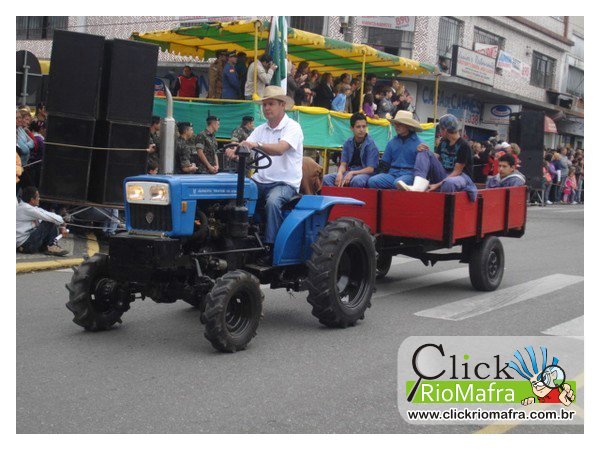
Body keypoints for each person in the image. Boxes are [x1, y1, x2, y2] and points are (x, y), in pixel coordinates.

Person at [225, 85, 303, 264]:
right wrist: (234, 151)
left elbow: (280, 149)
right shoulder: (260, 129)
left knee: (273, 202)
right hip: (260, 181)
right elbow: (246, 146)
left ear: (282, 105)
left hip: (285, 183)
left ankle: (271, 247)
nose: (266, 108)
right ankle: (238, 239)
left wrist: (256, 145)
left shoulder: (293, 127)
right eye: (264, 104)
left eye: (271, 104)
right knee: (236, 195)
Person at [398, 114, 477, 201]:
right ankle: (418, 186)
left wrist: (438, 184)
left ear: (445, 130)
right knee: (424, 152)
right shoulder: (444, 142)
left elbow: (456, 172)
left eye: (440, 129)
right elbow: (436, 157)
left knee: (448, 183)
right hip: (445, 173)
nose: (439, 132)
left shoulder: (464, 145)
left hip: (461, 176)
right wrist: (425, 151)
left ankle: (444, 206)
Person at [367, 111, 423, 189]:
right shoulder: (392, 142)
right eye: (395, 124)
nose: (396, 126)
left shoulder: (419, 144)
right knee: (372, 181)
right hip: (392, 175)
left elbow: (422, 168)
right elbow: (384, 164)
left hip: (409, 175)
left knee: (398, 183)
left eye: (399, 124)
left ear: (408, 126)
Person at [323, 113, 379, 188]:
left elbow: (370, 169)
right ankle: (337, 195)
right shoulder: (348, 142)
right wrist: (340, 173)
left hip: (365, 174)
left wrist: (352, 173)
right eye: (358, 127)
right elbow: (343, 164)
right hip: (350, 172)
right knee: (326, 178)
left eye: (364, 126)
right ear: (351, 128)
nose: (362, 130)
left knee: (357, 180)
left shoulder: (371, 144)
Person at [17, 186, 69, 256]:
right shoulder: (26, 208)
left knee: (47, 220)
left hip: (25, 244)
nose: (39, 199)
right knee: (49, 221)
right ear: (32, 199)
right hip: (25, 245)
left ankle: (47, 247)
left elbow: (46, 213)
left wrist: (61, 226)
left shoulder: (27, 207)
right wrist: (63, 224)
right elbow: (51, 217)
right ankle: (51, 246)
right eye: (38, 197)